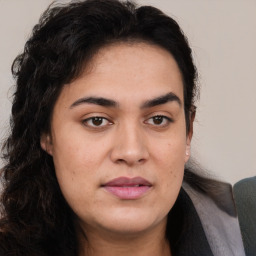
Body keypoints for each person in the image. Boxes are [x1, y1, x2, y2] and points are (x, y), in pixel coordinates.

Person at [0, 0, 245, 255]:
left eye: (158, 119)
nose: (131, 151)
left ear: (188, 132)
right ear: (46, 132)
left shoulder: (246, 232)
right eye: (97, 120)